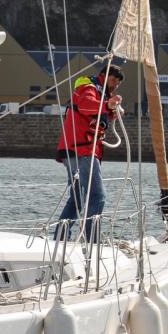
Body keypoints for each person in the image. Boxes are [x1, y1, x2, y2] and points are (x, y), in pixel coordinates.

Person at [54, 65, 124, 242]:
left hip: (74, 150)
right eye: (113, 80)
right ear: (103, 76)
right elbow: (86, 105)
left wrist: (112, 110)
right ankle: (92, 241)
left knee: (78, 197)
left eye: (118, 83)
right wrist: (107, 105)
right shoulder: (88, 87)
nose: (115, 85)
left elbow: (93, 112)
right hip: (82, 150)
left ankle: (60, 239)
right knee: (97, 196)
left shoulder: (100, 94)